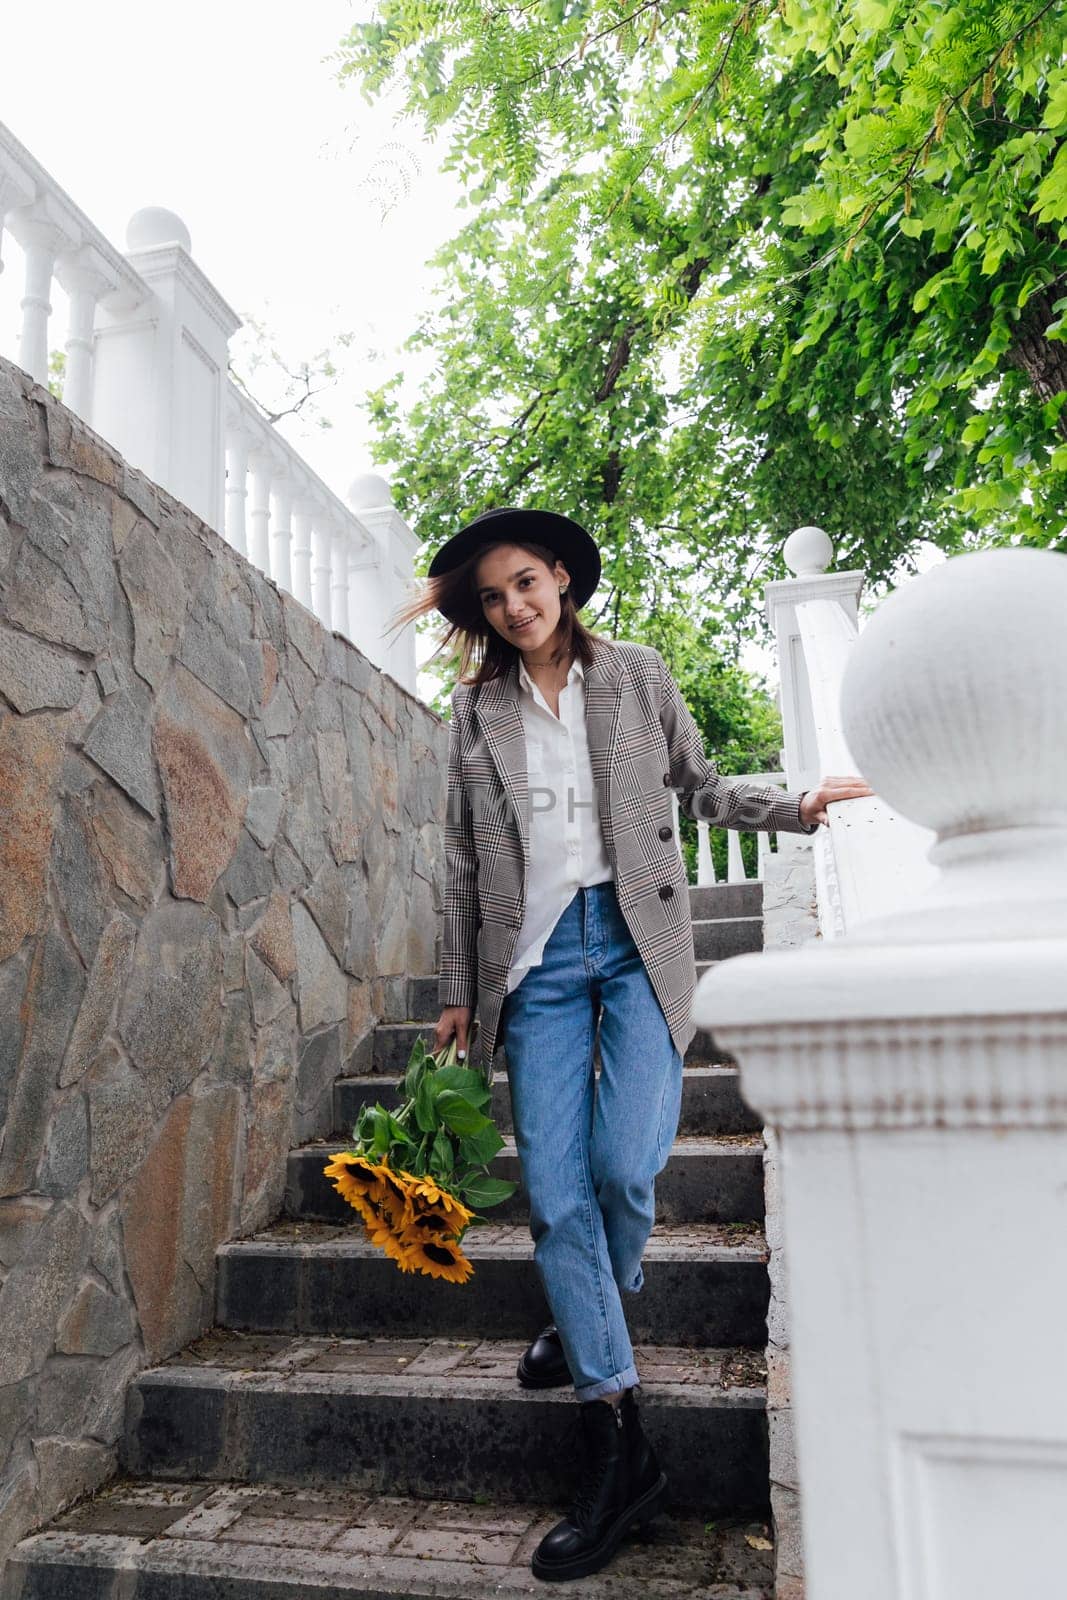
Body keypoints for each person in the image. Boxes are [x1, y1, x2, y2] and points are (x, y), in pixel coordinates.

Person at [393, 506, 873, 1583]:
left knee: (622, 1165)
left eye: (524, 583)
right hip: (538, 964)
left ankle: (579, 1312)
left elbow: (698, 790)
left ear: (560, 577)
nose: (512, 607)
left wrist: (795, 801)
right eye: (491, 598)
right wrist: (457, 989)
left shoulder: (639, 675)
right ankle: (620, 1442)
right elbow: (464, 860)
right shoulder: (475, 713)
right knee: (556, 1194)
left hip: (640, 942)